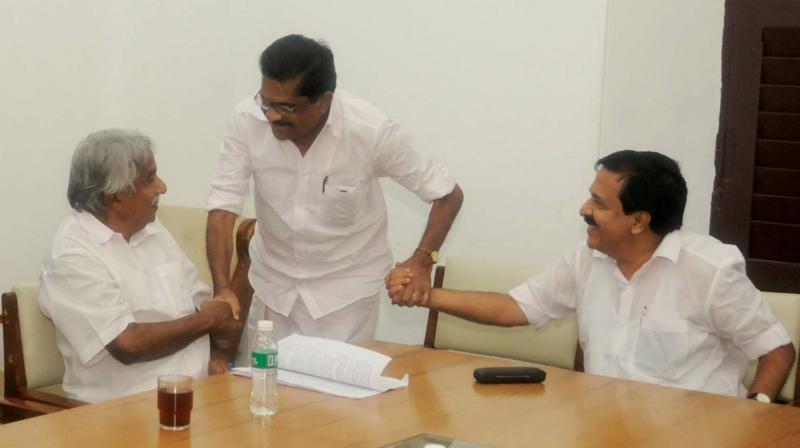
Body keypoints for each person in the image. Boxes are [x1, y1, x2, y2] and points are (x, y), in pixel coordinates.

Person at [387, 150, 795, 401]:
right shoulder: (588, 259)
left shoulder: (709, 271)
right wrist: (427, 295)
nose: (584, 209)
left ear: (639, 221)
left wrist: (754, 412)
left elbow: (776, 350)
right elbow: (515, 307)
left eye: (598, 203)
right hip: (603, 429)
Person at [206, 34, 463, 353]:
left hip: (345, 299)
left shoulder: (370, 131)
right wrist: (221, 288)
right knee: (264, 393)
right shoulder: (246, 119)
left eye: (286, 106)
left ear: (324, 101)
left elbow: (448, 194)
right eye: (267, 101)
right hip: (273, 289)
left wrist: (423, 260)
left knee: (336, 400)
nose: (272, 115)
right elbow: (222, 204)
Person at [39, 129, 240, 403]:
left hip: (198, 397)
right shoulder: (72, 253)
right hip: (124, 411)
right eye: (150, 179)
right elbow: (128, 344)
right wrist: (209, 319)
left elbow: (203, 305)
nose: (162, 187)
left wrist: (218, 355)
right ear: (114, 196)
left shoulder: (153, 230)